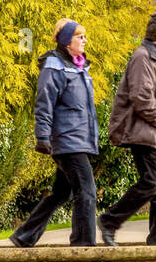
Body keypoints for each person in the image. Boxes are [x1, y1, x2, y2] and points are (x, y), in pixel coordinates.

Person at [98, 9, 156, 246]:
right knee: (153, 181)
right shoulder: (143, 57)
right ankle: (109, 221)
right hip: (149, 134)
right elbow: (141, 96)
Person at [10, 18, 98, 247]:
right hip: (68, 141)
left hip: (77, 139)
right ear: (68, 41)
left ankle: (24, 235)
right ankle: (83, 244)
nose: (85, 40)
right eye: (80, 36)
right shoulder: (54, 67)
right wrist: (42, 136)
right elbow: (44, 103)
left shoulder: (79, 67)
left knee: (62, 194)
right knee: (86, 191)